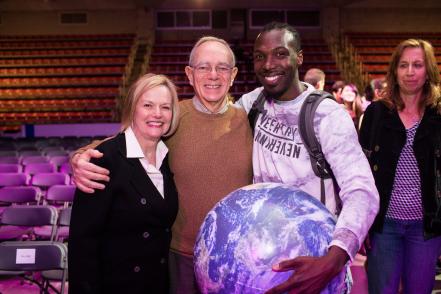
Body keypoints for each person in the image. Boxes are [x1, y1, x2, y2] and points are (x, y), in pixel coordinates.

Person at [70, 36, 253, 294]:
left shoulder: (250, 120)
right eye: (203, 67)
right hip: (179, 259)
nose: (213, 75)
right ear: (190, 74)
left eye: (222, 67)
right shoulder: (172, 116)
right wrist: (80, 156)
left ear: (233, 74)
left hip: (236, 259)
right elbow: (122, 141)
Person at [236, 22, 379, 294]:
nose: (268, 64)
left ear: (298, 57)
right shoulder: (251, 103)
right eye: (259, 56)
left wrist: (334, 258)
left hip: (316, 259)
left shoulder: (327, 115)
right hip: (263, 256)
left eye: (280, 53)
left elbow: (362, 190)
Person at [68, 74, 180, 294]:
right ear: (133, 108)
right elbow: (83, 244)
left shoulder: (167, 158)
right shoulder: (103, 159)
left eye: (165, 107)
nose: (157, 114)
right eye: (148, 105)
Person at [359, 38, 441, 294]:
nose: (410, 72)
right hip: (384, 227)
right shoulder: (375, 113)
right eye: (403, 65)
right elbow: (360, 172)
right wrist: (361, 223)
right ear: (394, 70)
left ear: (428, 70)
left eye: (417, 65)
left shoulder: (438, 115)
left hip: (425, 228)